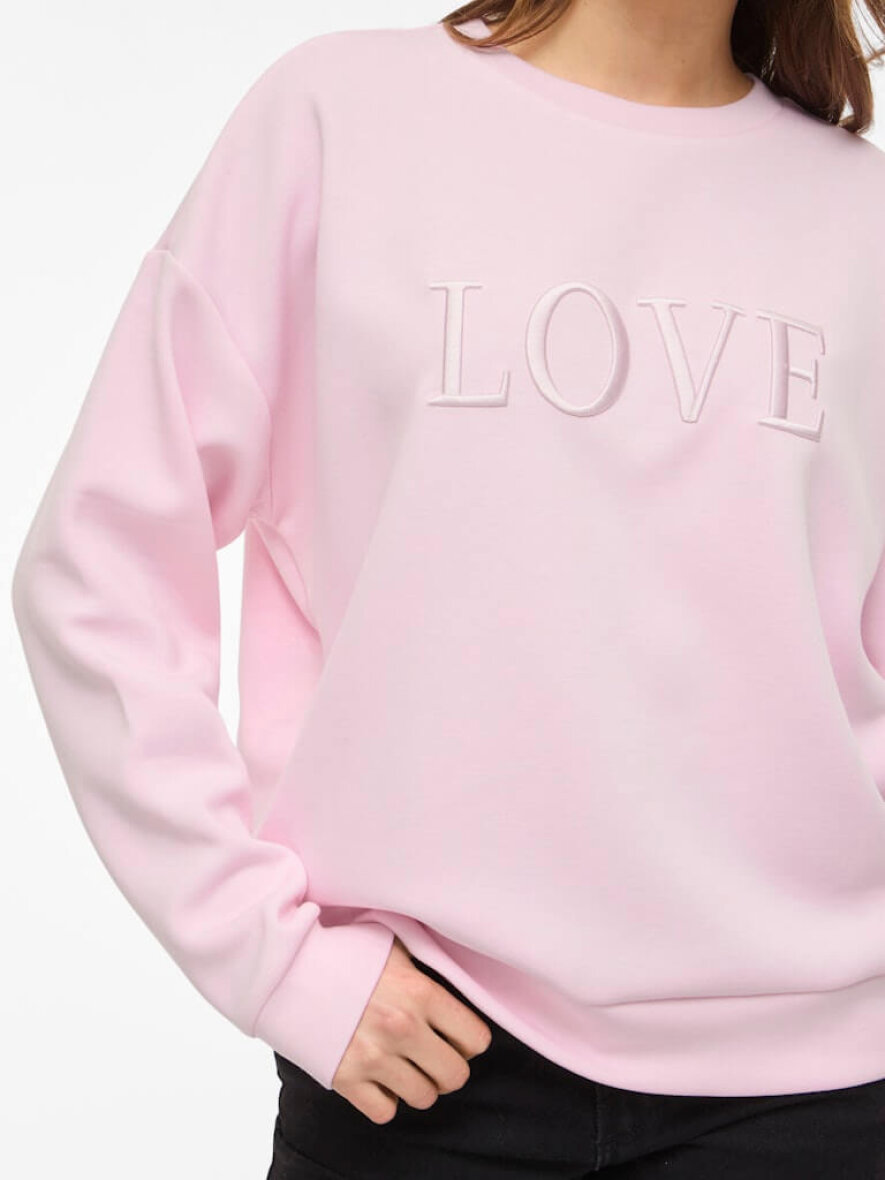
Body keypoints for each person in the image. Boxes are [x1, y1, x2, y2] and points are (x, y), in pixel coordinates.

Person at [12, 0, 885, 1173]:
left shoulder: (861, 220)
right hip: (424, 1072)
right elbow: (97, 563)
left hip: (819, 1093)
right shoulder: (337, 118)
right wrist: (272, 956)